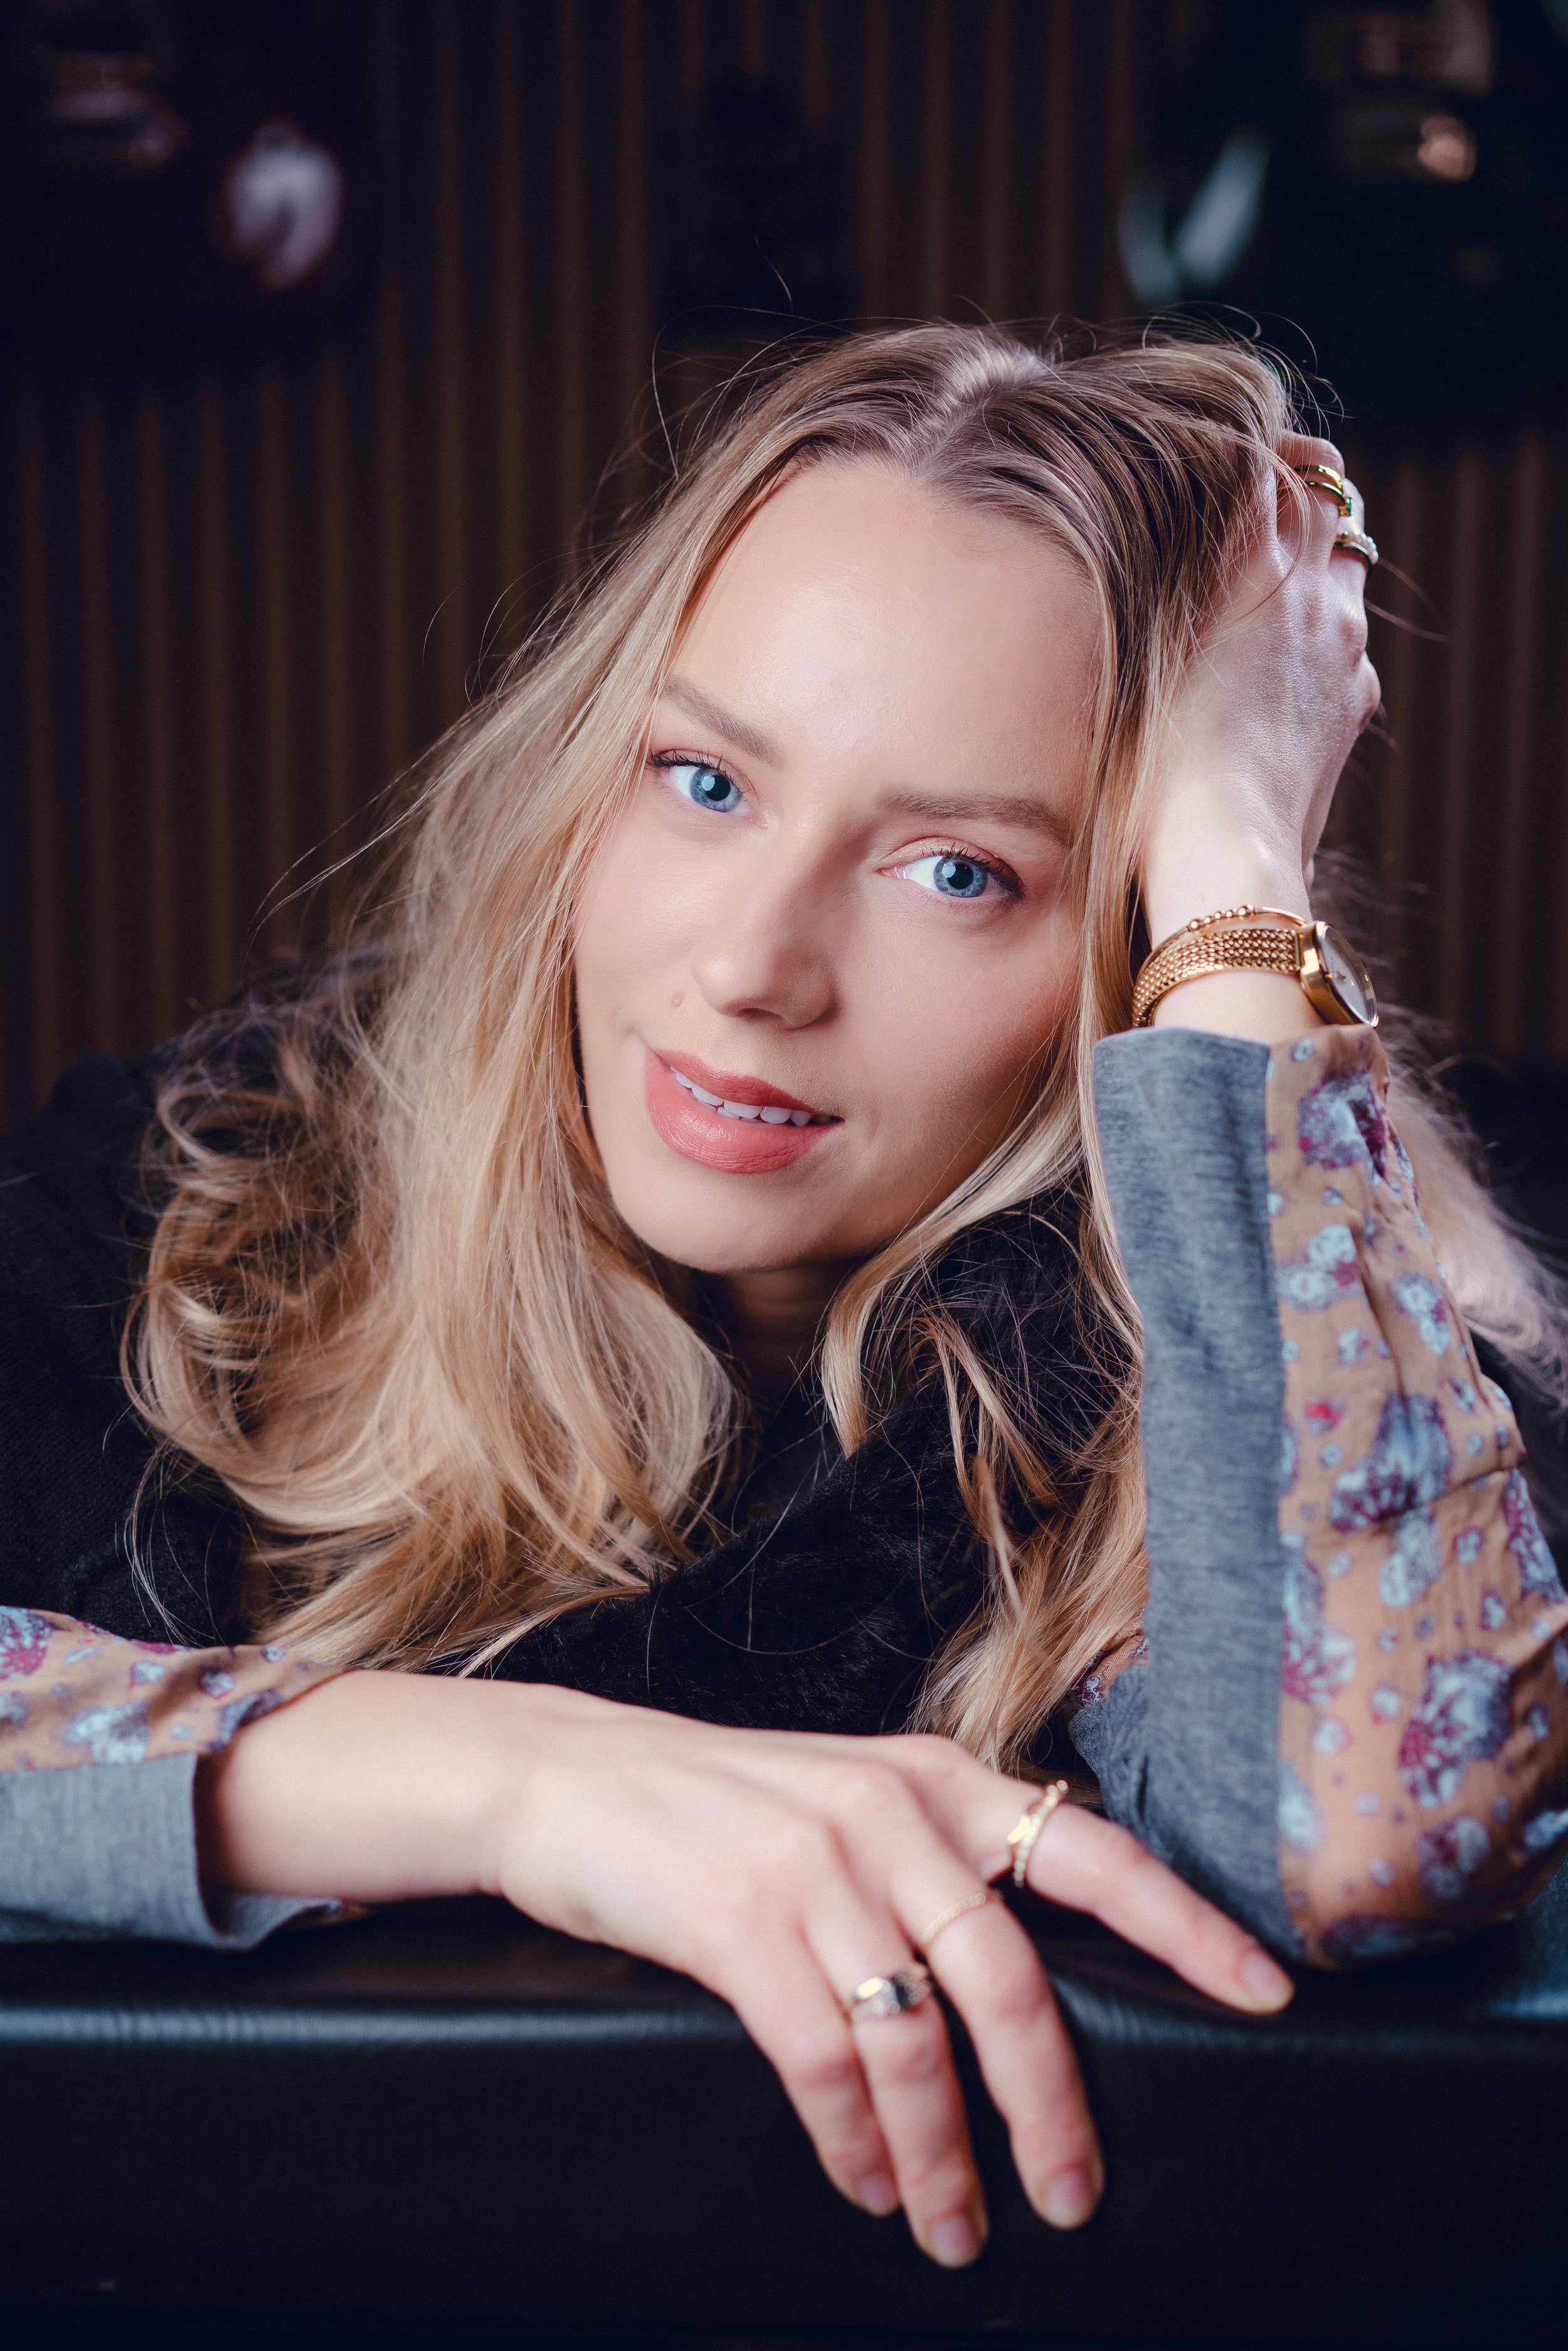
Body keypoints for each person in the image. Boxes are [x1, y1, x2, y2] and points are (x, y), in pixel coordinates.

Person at [3, 326, 1565, 2270]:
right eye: (705, 778)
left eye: (956, 873)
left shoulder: (1278, 1349)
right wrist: (505, 1773)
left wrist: (1245, 861)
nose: (751, 963)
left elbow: (1383, 1827)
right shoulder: (196, 1205)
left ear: (1129, 940)